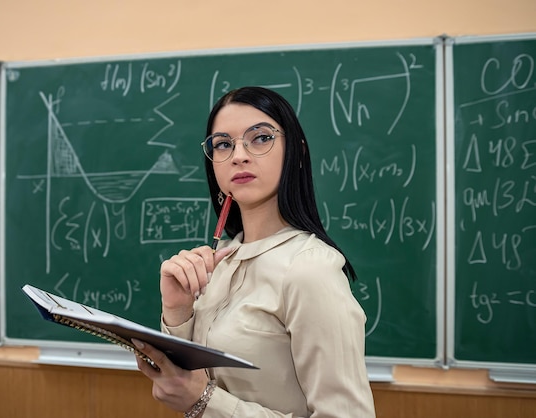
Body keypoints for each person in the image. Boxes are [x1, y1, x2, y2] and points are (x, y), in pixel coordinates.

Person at [133, 86, 376, 417]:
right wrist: (177, 311)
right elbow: (183, 384)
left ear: (297, 152)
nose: (239, 155)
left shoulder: (309, 268)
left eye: (260, 138)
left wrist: (206, 401)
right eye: (223, 144)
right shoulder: (220, 261)